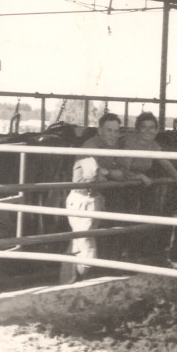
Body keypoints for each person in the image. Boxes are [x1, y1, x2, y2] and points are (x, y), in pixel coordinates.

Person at [118, 112, 177, 259]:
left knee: (146, 214)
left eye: (152, 128)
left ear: (156, 130)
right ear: (137, 129)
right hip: (121, 185)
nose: (148, 131)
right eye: (144, 127)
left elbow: (166, 164)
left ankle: (140, 253)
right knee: (128, 217)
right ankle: (125, 254)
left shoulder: (153, 145)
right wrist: (139, 176)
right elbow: (122, 171)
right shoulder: (130, 144)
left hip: (138, 184)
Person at [60, 113, 126, 283]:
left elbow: (122, 172)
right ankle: (78, 285)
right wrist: (107, 173)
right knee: (88, 253)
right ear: (100, 130)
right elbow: (93, 174)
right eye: (109, 130)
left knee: (79, 244)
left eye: (116, 131)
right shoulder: (90, 145)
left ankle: (68, 283)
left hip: (96, 198)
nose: (113, 135)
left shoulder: (112, 148)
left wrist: (106, 172)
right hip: (82, 200)